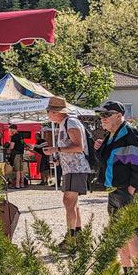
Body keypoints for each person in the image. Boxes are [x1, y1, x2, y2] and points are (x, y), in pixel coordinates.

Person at [94, 101, 138, 274]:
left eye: (106, 115)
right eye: (101, 116)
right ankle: (127, 270)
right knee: (119, 234)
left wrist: (133, 187)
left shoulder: (130, 134)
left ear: (119, 115)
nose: (102, 119)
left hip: (127, 191)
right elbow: (107, 162)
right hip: (114, 190)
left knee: (131, 233)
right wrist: (98, 150)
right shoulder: (111, 135)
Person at [43, 96, 91, 252]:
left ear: (54, 112)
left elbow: (79, 146)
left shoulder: (70, 122)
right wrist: (58, 157)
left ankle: (71, 239)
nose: (47, 114)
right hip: (71, 168)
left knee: (69, 202)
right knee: (73, 203)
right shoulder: (66, 123)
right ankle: (79, 237)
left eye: (48, 111)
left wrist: (56, 150)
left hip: (75, 169)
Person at [6, 124, 28, 189]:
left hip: (16, 155)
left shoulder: (14, 137)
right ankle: (22, 184)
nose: (10, 131)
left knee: (17, 170)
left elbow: (12, 146)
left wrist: (8, 149)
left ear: (13, 129)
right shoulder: (21, 136)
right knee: (21, 170)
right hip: (21, 154)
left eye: (10, 130)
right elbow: (23, 144)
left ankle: (17, 185)